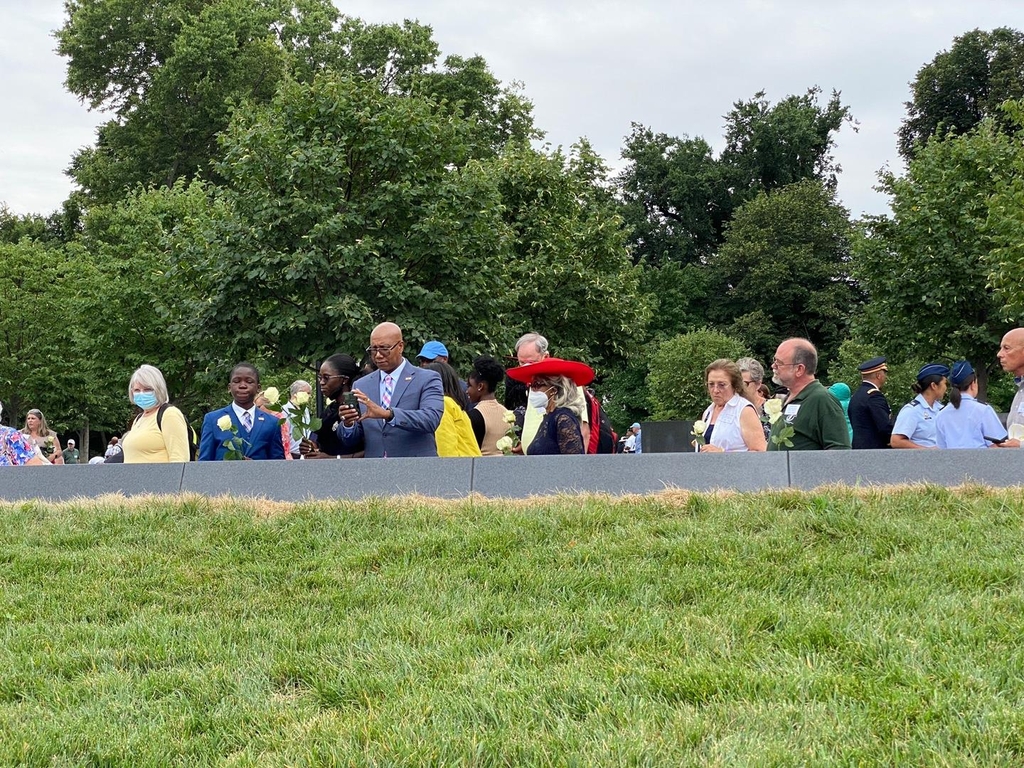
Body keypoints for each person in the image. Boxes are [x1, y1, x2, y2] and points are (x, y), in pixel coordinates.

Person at [338, 322, 444, 458]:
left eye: (384, 348)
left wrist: (388, 414)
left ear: (400, 347)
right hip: (376, 471)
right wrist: (348, 423)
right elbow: (352, 439)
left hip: (416, 470)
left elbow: (430, 420)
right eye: (373, 349)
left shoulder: (427, 379)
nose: (378, 355)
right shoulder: (361, 385)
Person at [767, 338, 851, 451]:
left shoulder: (822, 399)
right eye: (774, 361)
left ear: (799, 369)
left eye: (779, 363)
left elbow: (839, 451)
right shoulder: (791, 397)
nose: (773, 366)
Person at [515, 332, 591, 452]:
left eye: (531, 362)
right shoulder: (547, 411)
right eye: (521, 362)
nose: (526, 367)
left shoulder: (564, 414)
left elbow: (583, 434)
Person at [199, 362, 286, 461]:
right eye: (236, 381)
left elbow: (278, 465)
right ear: (229, 387)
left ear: (258, 388)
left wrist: (256, 468)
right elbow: (204, 463)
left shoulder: (272, 423)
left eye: (249, 381)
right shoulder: (212, 420)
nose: (243, 386)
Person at [505, 358, 593, 455]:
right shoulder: (549, 416)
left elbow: (574, 462)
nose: (533, 390)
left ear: (554, 389)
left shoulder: (563, 418)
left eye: (537, 385)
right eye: (531, 385)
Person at [120, 364, 191, 463]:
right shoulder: (139, 419)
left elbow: (179, 459)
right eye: (137, 390)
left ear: (158, 389)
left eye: (147, 389)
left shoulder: (169, 414)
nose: (141, 393)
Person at [936, 361, 1011, 449]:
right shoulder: (983, 410)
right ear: (973, 384)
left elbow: (941, 450)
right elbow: (997, 445)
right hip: (981, 462)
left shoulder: (941, 414)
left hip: (952, 462)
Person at [696, 359, 767, 452]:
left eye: (722, 385)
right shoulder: (709, 411)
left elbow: (760, 451)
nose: (715, 390)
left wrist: (723, 453)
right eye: (711, 384)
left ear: (735, 385)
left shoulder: (744, 410)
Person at [300, 355, 361, 459]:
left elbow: (370, 450)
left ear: (344, 380)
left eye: (326, 378)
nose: (321, 382)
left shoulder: (359, 408)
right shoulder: (329, 411)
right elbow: (320, 442)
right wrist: (311, 446)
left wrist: (332, 459)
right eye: (320, 378)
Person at [425, 360, 482, 457]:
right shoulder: (453, 403)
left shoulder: (443, 404)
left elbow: (446, 445)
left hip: (458, 467)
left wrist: (449, 470)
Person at [891, 363, 949, 449]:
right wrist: (926, 451)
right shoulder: (912, 410)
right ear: (933, 386)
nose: (946, 388)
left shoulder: (941, 409)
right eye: (945, 383)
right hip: (922, 460)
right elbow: (896, 441)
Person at [466, 355, 512, 456]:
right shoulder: (507, 413)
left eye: (469, 386)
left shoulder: (474, 416)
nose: (467, 391)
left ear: (480, 386)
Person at [849, 356, 893, 449]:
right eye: (884, 373)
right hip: (874, 451)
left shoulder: (856, 395)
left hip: (859, 449)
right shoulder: (874, 396)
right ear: (878, 375)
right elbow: (885, 427)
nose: (885, 376)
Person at [997, 328, 1024, 442]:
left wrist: (1020, 446)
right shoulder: (1020, 390)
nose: (999, 354)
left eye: (1006, 348)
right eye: (1001, 348)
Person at [0, 401, 47, 465]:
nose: (30, 421)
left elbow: (35, 466)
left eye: (33, 418)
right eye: (29, 418)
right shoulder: (20, 432)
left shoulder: (10, 435)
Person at [281, 380, 313, 458]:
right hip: (291, 454)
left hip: (305, 454)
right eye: (307, 393)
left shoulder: (305, 410)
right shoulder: (284, 410)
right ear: (297, 393)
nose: (309, 396)